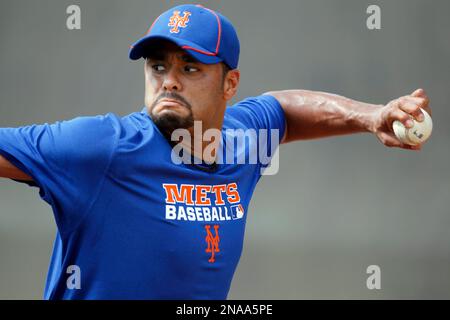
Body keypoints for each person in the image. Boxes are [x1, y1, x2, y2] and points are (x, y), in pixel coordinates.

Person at [0, 4, 431, 299]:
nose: (169, 80)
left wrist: (372, 116)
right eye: (158, 66)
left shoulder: (243, 139)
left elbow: (284, 108)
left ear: (230, 85)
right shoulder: (101, 149)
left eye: (189, 68)